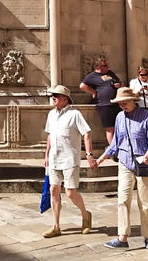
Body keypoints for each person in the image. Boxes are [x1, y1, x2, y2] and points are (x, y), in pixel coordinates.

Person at [97, 87, 148, 251]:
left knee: (145, 202)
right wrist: (101, 159)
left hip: (144, 164)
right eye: (120, 103)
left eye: (124, 102)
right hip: (124, 163)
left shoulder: (146, 116)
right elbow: (116, 143)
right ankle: (122, 237)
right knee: (122, 200)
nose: (122, 106)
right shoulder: (119, 117)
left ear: (133, 101)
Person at [43, 85, 95, 239]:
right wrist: (46, 155)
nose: (53, 98)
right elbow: (50, 136)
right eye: (52, 95)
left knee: (70, 192)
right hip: (54, 158)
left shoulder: (75, 114)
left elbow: (87, 133)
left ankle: (86, 216)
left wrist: (89, 153)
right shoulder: (51, 114)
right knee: (53, 189)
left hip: (70, 158)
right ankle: (56, 226)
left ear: (65, 99)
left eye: (56, 96)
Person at [80, 57, 122, 145]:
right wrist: (93, 92)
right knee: (110, 128)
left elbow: (119, 82)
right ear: (98, 67)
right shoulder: (92, 76)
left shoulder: (110, 73)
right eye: (105, 65)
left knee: (119, 126)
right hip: (105, 104)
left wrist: (119, 85)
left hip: (117, 103)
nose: (107, 67)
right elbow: (82, 86)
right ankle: (113, 150)